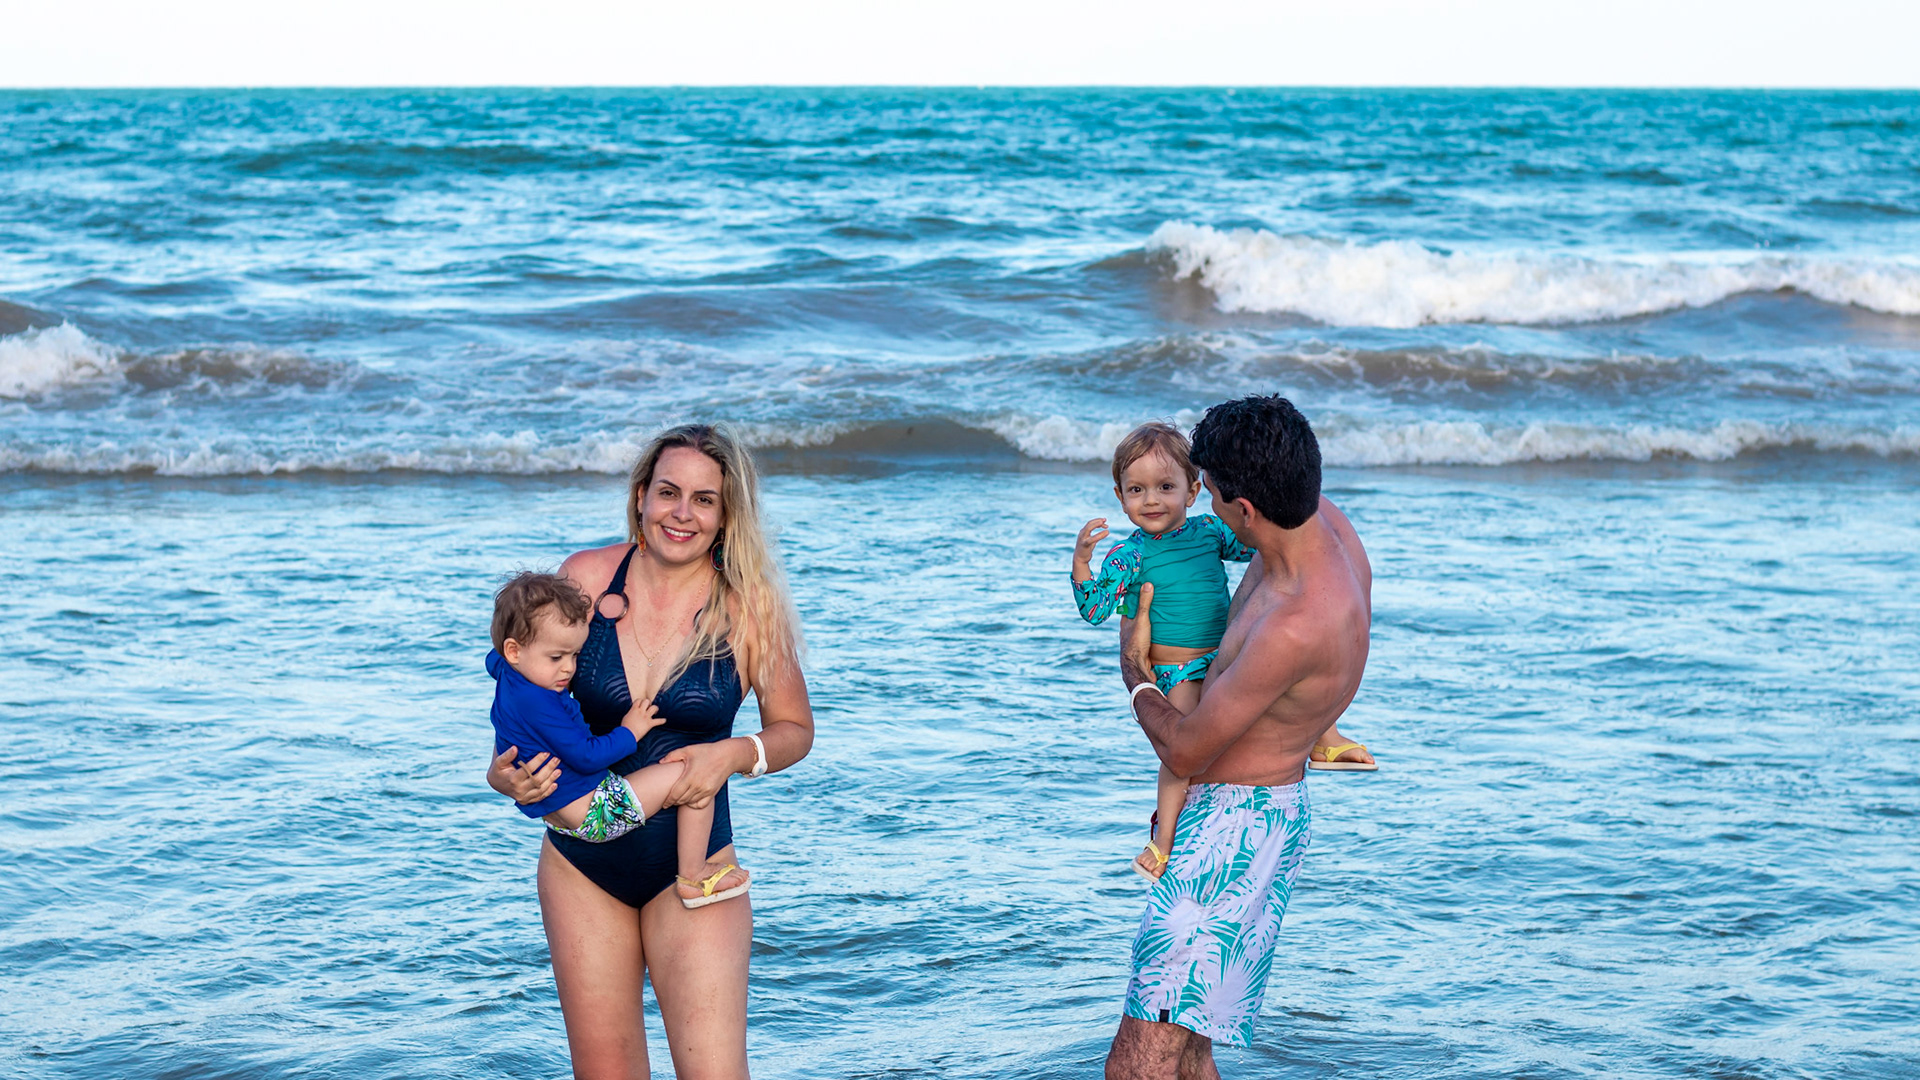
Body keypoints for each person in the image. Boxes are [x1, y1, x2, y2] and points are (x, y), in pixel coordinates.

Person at [485, 422, 813, 1080]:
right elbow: (521, 695)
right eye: (668, 492)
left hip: (696, 872)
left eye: (704, 499)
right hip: (581, 867)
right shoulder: (584, 578)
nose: (682, 513)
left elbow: (794, 729)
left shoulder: (751, 608)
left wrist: (732, 754)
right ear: (641, 496)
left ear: (726, 515)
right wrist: (504, 776)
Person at [1104, 396, 1372, 1080]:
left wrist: (1134, 671)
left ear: (1245, 508)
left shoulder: (1292, 624)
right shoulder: (1325, 526)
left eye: (1212, 495)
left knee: (1138, 1065)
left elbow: (1185, 749)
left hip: (1229, 837)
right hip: (1262, 818)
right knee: (1188, 1055)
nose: (1206, 507)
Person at [486, 571, 751, 908]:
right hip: (597, 812)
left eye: (575, 655)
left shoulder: (506, 667)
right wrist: (631, 731)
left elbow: (491, 659)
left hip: (560, 819)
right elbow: (586, 757)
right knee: (696, 773)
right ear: (513, 650)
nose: (568, 669)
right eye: (556, 658)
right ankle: (694, 874)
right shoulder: (539, 703)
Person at [1072, 422, 1252, 882]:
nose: (1151, 500)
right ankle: (1164, 839)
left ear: (1193, 491)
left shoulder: (1210, 531)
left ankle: (1324, 737)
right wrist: (1082, 563)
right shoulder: (1128, 556)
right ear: (1120, 497)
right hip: (1179, 671)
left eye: (1165, 487)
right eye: (1137, 490)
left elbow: (1257, 546)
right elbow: (1095, 610)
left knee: (1281, 686)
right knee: (1182, 750)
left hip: (1227, 657)